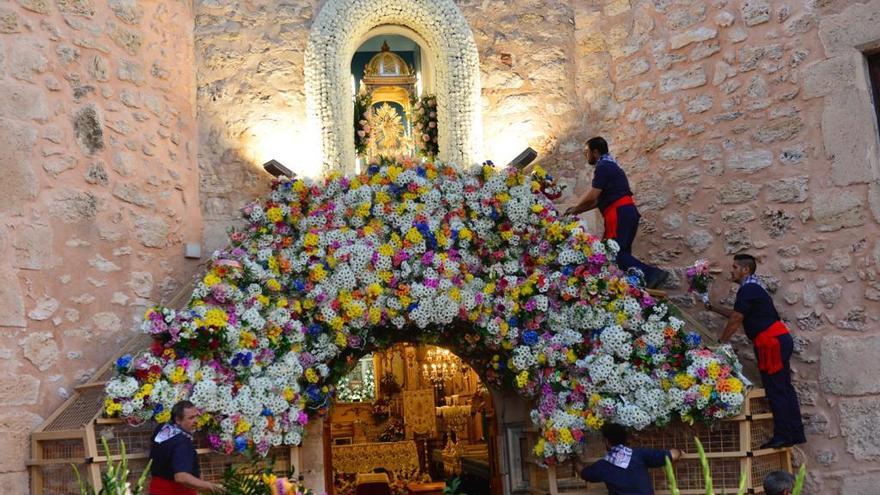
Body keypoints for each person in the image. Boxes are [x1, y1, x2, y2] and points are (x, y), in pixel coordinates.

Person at [706, 254, 806, 449]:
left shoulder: (748, 289)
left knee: (776, 389)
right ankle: (793, 432)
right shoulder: (752, 289)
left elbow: (736, 319)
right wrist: (714, 308)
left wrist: (721, 343)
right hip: (775, 340)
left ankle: (783, 435)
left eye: (735, 267)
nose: (731, 270)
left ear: (745, 270)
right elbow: (739, 314)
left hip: (771, 343)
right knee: (783, 387)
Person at [564, 136, 669, 289]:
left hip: (618, 213)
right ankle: (637, 285)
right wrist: (577, 211)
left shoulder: (603, 167)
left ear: (595, 152)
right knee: (622, 253)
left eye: (586, 152)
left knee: (613, 253)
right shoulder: (612, 166)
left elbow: (593, 195)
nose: (585, 156)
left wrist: (574, 208)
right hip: (626, 211)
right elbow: (596, 202)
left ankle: (652, 274)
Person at [577, 423, 682, 495]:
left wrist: (573, 456)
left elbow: (583, 472)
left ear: (607, 441)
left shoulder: (603, 466)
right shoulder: (640, 454)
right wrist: (680, 452)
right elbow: (672, 455)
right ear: (625, 439)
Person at [148, 400, 224, 494]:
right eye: (191, 418)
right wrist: (209, 486)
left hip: (156, 489)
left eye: (197, 416)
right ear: (178, 420)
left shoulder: (163, 428)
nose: (196, 421)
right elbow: (181, 476)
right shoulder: (182, 443)